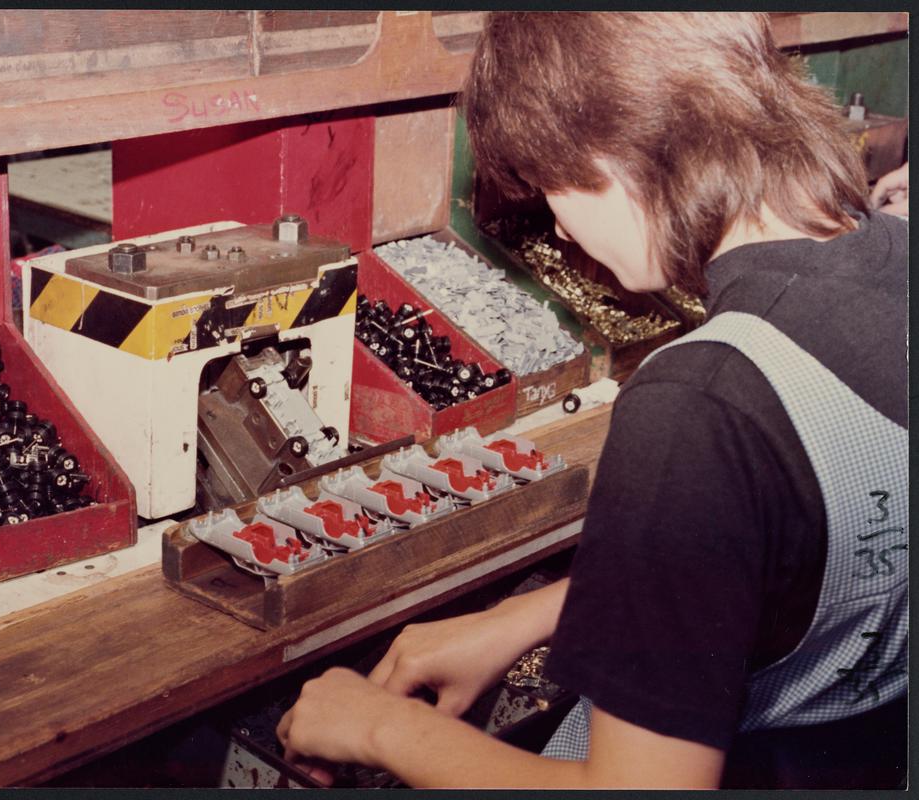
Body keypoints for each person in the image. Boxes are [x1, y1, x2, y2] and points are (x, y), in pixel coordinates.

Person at [276, 12, 907, 789]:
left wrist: (377, 726)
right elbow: (825, 541)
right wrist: (531, 614)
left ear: (610, 156)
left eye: (549, 188)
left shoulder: (699, 404)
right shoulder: (894, 264)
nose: (563, 233)